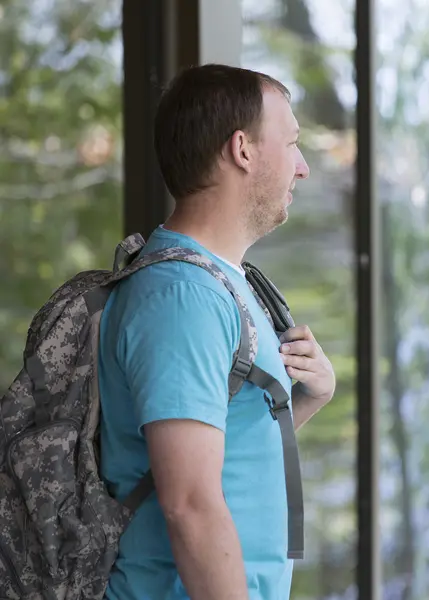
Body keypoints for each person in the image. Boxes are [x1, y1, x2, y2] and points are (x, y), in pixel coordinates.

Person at [98, 64, 336, 600]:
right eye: (293, 142)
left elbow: (225, 446)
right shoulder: (182, 296)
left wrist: (311, 398)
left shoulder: (220, 281)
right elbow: (190, 504)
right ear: (243, 150)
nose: (303, 168)